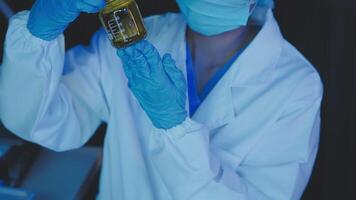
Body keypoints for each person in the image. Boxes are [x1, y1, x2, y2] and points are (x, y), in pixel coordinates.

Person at [0, 0, 323, 199]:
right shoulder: (139, 35)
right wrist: (36, 35)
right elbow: (41, 121)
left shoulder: (295, 86)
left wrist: (173, 125)